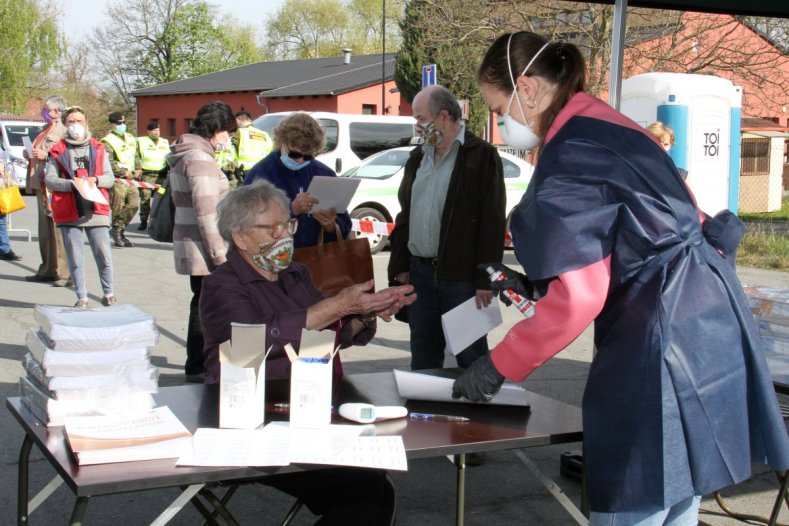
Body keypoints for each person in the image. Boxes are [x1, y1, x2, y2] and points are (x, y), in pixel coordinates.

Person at [453, 31, 789, 524]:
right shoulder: (612, 126)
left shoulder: (570, 153)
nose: (503, 128)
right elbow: (641, 233)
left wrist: (500, 363)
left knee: (636, 499)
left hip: (658, 337)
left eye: (498, 110)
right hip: (706, 318)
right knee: (679, 497)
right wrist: (538, 285)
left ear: (526, 88)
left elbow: (582, 296)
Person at [199, 180, 413, 525]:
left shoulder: (295, 273)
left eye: (289, 225)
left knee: (374, 486)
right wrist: (337, 306)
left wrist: (363, 313)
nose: (285, 235)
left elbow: (327, 336)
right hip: (251, 419)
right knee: (364, 490)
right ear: (240, 237)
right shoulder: (222, 285)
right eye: (274, 227)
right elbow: (257, 339)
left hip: (306, 411)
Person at [387, 84, 506, 371]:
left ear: (443, 116)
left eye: (420, 118)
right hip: (420, 275)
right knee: (424, 358)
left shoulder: (482, 156)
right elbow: (406, 215)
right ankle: (422, 415)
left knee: (471, 359)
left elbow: (492, 222)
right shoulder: (417, 158)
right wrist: (400, 266)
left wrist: (485, 280)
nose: (417, 125)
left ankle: (478, 413)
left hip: (462, 279)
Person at [169, 101, 236, 383]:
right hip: (204, 248)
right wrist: (221, 257)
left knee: (201, 304)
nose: (229, 139)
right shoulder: (200, 158)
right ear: (216, 130)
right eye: (228, 132)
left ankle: (198, 364)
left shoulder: (187, 152)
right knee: (206, 307)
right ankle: (199, 365)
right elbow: (207, 213)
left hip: (193, 243)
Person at [244, 112, 351, 249]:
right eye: (295, 154)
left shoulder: (324, 173)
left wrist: (331, 226)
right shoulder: (261, 174)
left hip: (316, 259)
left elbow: (345, 225)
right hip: (275, 260)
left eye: (307, 157)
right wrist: (290, 210)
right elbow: (246, 222)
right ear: (281, 142)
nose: (300, 160)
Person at [45, 106, 116, 308]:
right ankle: (82, 297)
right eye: (71, 122)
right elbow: (50, 180)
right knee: (75, 258)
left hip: (97, 210)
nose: (76, 125)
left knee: (103, 255)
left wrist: (95, 180)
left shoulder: (99, 148)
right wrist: (72, 185)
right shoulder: (58, 151)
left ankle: (108, 293)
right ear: (66, 126)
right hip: (69, 211)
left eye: (80, 121)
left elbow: (109, 179)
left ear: (86, 124)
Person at [23, 95, 70, 285]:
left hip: (53, 185)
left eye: (46, 109)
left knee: (57, 231)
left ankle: (64, 273)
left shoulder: (63, 130)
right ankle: (48, 269)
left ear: (57, 111)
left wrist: (46, 154)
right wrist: (30, 153)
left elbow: (66, 155)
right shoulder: (45, 129)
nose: (44, 112)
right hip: (41, 185)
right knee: (45, 232)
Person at [101, 111, 139, 248]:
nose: (122, 125)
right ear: (112, 125)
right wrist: (123, 173)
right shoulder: (107, 141)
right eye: (119, 123)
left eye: (123, 122)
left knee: (134, 204)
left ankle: (117, 229)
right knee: (118, 207)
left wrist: (138, 168)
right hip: (118, 179)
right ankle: (119, 234)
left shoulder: (130, 137)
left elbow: (135, 155)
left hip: (131, 179)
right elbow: (108, 162)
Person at [135, 121, 169, 230]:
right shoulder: (141, 141)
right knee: (145, 198)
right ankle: (143, 221)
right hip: (147, 174)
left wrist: (167, 168)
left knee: (161, 199)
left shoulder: (164, 142)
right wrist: (138, 168)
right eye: (154, 130)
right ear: (148, 131)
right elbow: (136, 156)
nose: (156, 132)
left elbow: (169, 156)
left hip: (161, 175)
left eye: (158, 130)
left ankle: (157, 220)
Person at [232, 110, 272, 177]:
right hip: (262, 169)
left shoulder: (239, 132)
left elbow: (231, 150)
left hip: (244, 170)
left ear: (238, 120)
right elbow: (270, 150)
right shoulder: (264, 134)